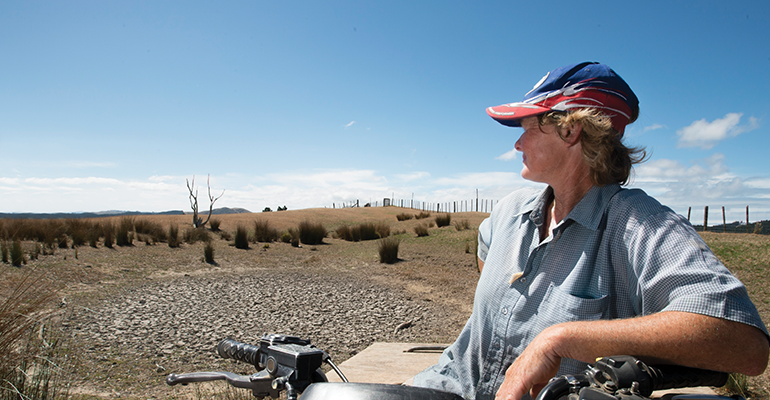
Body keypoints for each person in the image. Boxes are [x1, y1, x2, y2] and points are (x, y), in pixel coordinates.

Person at [412, 62, 769, 400]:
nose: (517, 145)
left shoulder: (639, 223)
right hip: (444, 386)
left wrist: (561, 338)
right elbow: (485, 252)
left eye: (528, 128)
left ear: (570, 130)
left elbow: (747, 346)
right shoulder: (510, 210)